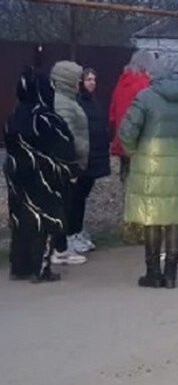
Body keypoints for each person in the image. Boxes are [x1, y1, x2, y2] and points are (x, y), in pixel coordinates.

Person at [120, 53, 178, 288]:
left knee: (153, 218)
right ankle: (171, 275)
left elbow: (127, 132)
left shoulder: (146, 97)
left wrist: (133, 151)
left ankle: (153, 273)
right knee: (175, 218)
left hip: (149, 166)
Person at [4, 68, 79, 283]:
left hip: (17, 172)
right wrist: (71, 170)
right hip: (44, 174)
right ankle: (40, 268)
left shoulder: (14, 116)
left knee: (21, 219)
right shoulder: (46, 118)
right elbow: (64, 146)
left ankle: (20, 267)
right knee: (47, 219)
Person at [50, 60, 90, 265]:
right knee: (62, 206)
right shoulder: (63, 103)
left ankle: (60, 247)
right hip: (65, 163)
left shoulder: (68, 100)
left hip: (68, 161)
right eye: (77, 79)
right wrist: (76, 158)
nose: (80, 82)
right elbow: (68, 135)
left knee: (66, 205)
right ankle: (59, 249)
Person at [69, 67, 111, 253]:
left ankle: (77, 231)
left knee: (82, 197)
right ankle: (72, 233)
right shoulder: (77, 102)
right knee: (75, 198)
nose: (92, 82)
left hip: (94, 157)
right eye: (88, 79)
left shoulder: (93, 101)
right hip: (83, 158)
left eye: (94, 79)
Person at [109, 50, 154, 182]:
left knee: (126, 173)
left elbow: (113, 110)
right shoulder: (145, 84)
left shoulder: (123, 81)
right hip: (139, 140)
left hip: (122, 135)